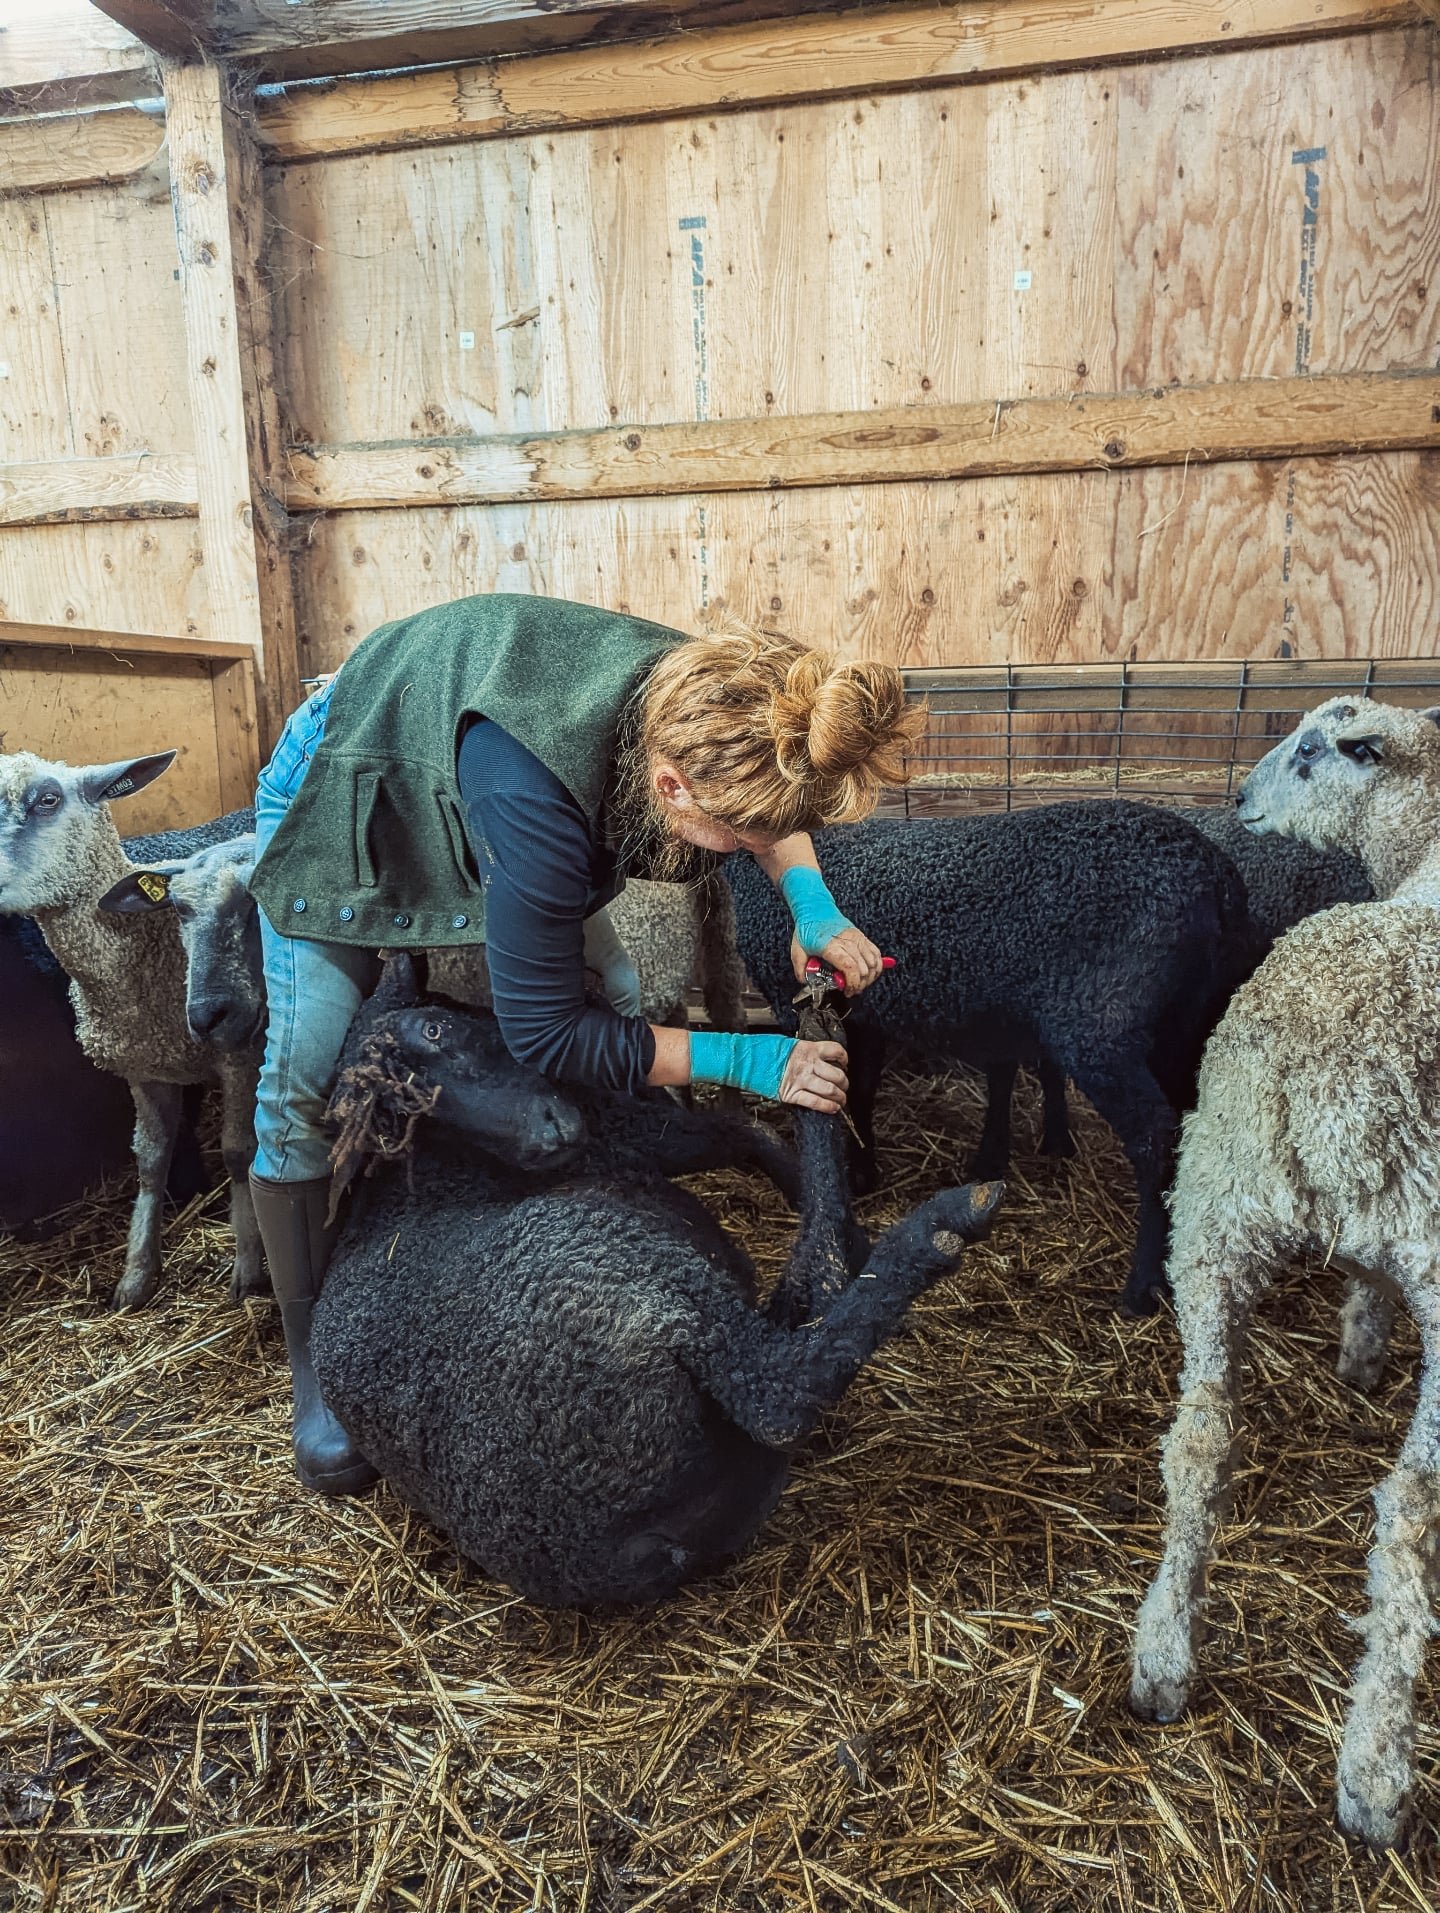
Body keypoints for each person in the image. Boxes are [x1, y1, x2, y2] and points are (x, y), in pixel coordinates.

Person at [246, 593, 924, 1495]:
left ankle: (601, 1222)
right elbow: (546, 1028)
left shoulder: (723, 699)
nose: (745, 847)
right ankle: (314, 1374)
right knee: (297, 1080)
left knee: (626, 993)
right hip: (351, 769)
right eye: (737, 835)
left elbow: (774, 791)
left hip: (480, 746)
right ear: (672, 788)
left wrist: (812, 904)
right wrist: (754, 1060)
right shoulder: (536, 800)